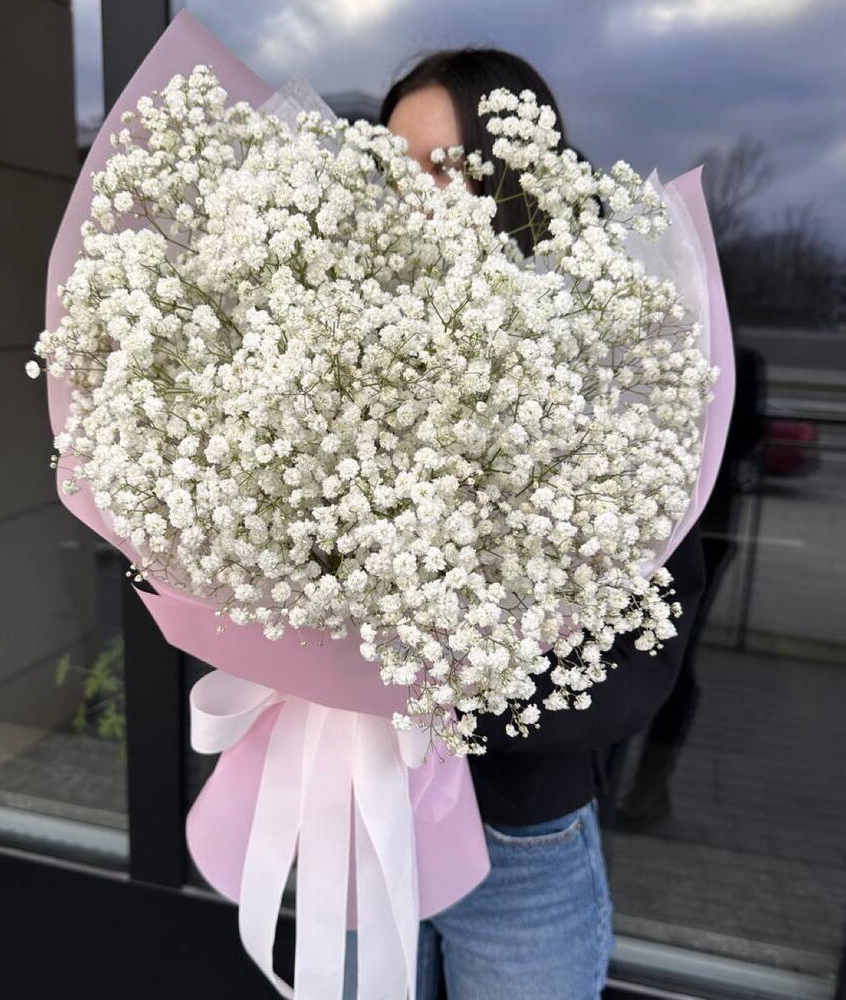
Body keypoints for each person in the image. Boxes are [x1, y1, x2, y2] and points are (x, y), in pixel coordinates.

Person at [340, 47, 709, 1000]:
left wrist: (450, 691)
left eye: (445, 168)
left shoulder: (607, 371)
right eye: (393, 168)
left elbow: (641, 660)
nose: (415, 197)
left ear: (516, 180)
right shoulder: (325, 354)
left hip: (519, 840)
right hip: (358, 821)